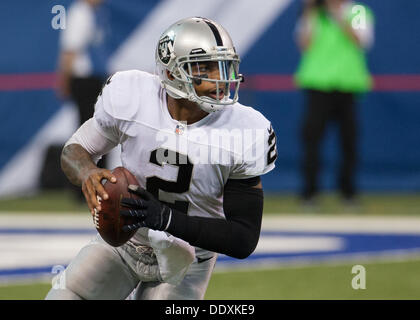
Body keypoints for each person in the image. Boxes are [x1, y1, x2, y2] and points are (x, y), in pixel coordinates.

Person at [46, 17, 277, 300]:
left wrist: (166, 219)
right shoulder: (133, 96)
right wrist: (87, 173)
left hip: (189, 256)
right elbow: (75, 150)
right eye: (205, 68)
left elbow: (244, 238)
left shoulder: (243, 129)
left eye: (222, 65)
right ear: (172, 72)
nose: (220, 78)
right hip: (126, 243)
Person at [294, 0, 374, 205]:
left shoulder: (357, 11)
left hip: (347, 84)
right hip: (318, 84)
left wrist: (338, 15)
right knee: (312, 140)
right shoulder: (313, 13)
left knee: (349, 141)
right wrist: (310, 13)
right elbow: (304, 44)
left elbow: (362, 41)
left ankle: (348, 193)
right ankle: (309, 193)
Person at [57, 0, 109, 171]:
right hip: (85, 80)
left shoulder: (94, 13)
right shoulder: (80, 13)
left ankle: (98, 175)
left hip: (94, 78)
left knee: (101, 130)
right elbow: (70, 51)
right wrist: (64, 81)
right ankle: (86, 179)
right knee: (89, 133)